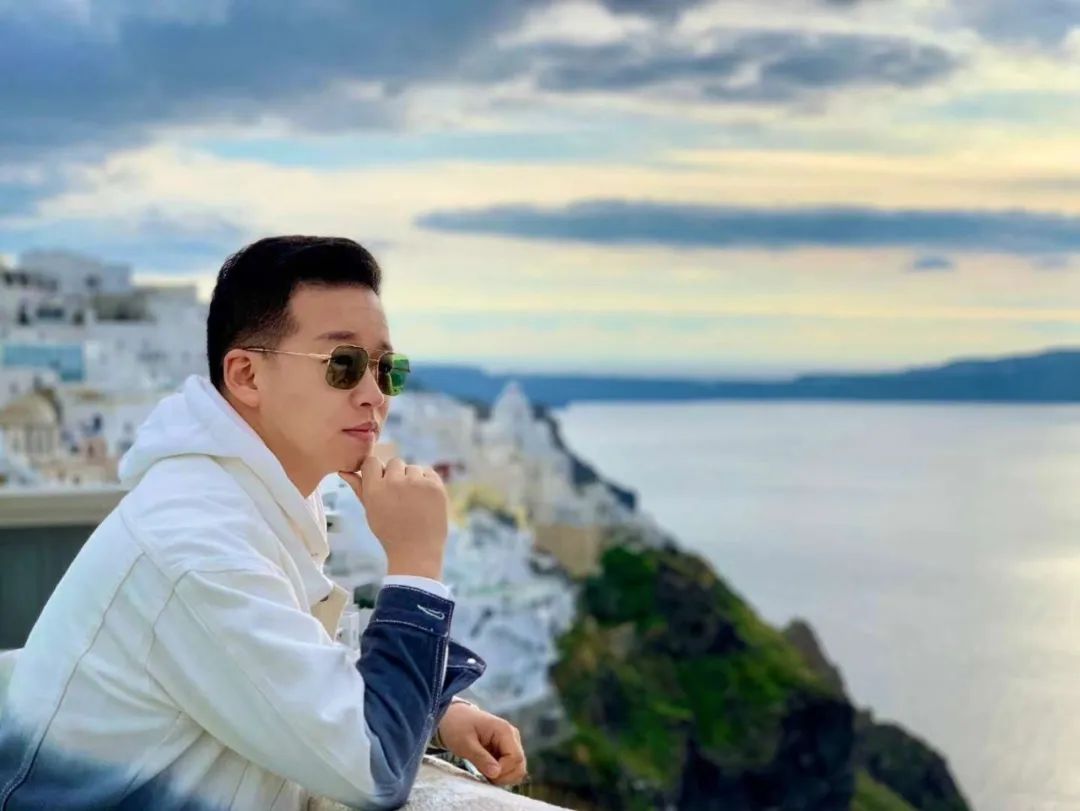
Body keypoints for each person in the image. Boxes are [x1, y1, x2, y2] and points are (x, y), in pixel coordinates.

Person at [0, 236, 527, 810]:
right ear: (247, 375)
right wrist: (417, 567)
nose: (374, 395)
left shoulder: (247, 501)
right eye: (343, 365)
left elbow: (287, 671)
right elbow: (374, 769)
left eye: (386, 369)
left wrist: (437, 710)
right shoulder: (198, 544)